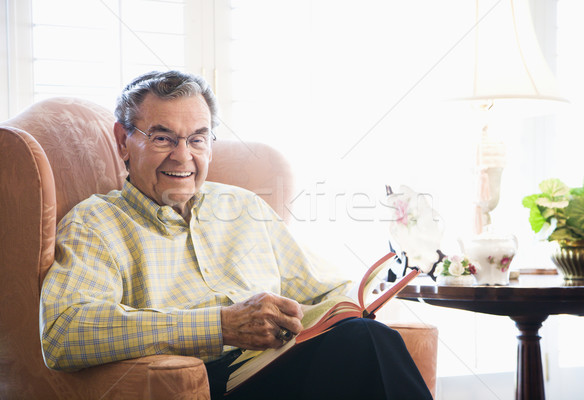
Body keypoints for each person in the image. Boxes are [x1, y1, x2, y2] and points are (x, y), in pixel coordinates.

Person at [40, 70, 433, 400]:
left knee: (366, 334)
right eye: (162, 138)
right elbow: (65, 331)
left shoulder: (243, 206)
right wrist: (219, 325)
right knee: (364, 345)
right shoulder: (95, 223)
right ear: (124, 141)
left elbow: (324, 288)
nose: (183, 156)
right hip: (211, 383)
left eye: (197, 138)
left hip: (282, 364)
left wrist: (346, 307)